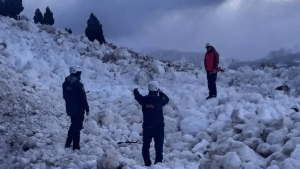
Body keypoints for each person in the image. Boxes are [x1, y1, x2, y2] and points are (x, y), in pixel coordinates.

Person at [133, 81, 169, 166]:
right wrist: (161, 93)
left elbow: (137, 96)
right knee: (159, 148)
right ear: (156, 89)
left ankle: (147, 164)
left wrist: (135, 90)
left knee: (145, 147)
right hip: (159, 127)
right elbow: (167, 100)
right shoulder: (160, 100)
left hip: (147, 127)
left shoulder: (144, 100)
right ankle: (158, 164)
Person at [62, 66, 89, 150]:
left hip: (70, 109)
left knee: (73, 124)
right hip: (78, 110)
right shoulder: (78, 84)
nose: (80, 75)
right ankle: (76, 147)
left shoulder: (65, 83)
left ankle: (68, 142)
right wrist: (87, 108)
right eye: (79, 73)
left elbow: (65, 96)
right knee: (77, 127)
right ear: (76, 73)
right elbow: (83, 98)